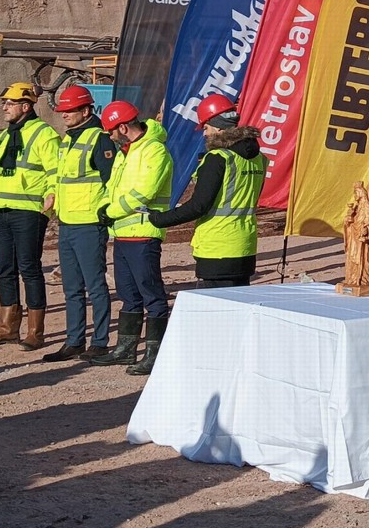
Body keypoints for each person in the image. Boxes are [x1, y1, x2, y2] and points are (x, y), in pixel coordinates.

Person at [0, 82, 59, 350]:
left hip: (29, 212)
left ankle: (35, 331)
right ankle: (7, 328)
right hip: (3, 211)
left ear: (26, 106)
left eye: (9, 103)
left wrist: (51, 197)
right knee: (5, 269)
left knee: (29, 269)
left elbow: (55, 170)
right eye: (4, 102)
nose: (4, 107)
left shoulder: (44, 134)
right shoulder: (6, 136)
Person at [149, 93, 266, 289]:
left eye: (206, 127)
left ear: (218, 126)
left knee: (215, 313)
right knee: (237, 309)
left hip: (217, 247)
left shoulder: (218, 158)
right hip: (245, 245)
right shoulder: (259, 158)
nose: (204, 133)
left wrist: (159, 219)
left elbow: (199, 206)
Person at [91, 101, 172, 376]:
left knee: (152, 294)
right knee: (128, 295)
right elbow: (112, 188)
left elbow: (143, 192)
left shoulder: (154, 151)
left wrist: (110, 211)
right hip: (123, 233)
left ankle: (154, 353)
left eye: (112, 132)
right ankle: (125, 349)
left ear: (123, 127)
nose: (111, 138)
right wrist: (103, 208)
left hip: (143, 233)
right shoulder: (126, 152)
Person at [42, 85, 116, 363]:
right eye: (62, 111)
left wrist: (104, 214)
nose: (64, 116)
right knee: (71, 288)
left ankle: (99, 341)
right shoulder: (68, 140)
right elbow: (62, 180)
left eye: (69, 111)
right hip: (68, 223)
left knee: (95, 285)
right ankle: (74, 341)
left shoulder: (99, 139)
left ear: (86, 110)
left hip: (89, 224)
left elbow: (111, 181)